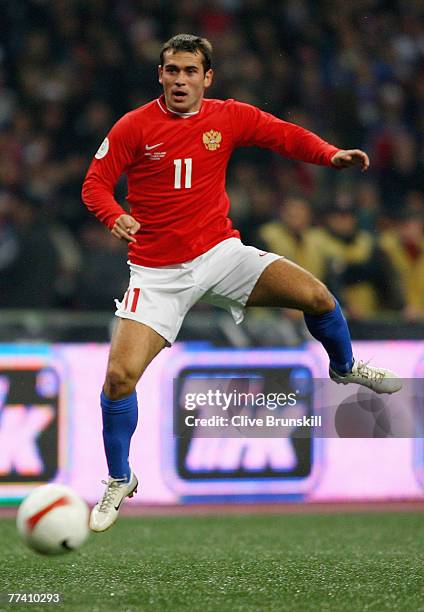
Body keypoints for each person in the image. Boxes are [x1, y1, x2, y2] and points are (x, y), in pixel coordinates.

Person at [81, 34, 402, 532]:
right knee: (119, 378)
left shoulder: (227, 116)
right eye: (171, 71)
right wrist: (114, 215)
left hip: (220, 255)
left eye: (190, 71)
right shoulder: (134, 126)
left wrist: (329, 154)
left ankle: (343, 366)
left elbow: (283, 135)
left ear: (207, 77)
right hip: (158, 273)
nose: (180, 80)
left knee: (317, 296)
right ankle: (120, 478)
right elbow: (94, 184)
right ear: (160, 76)